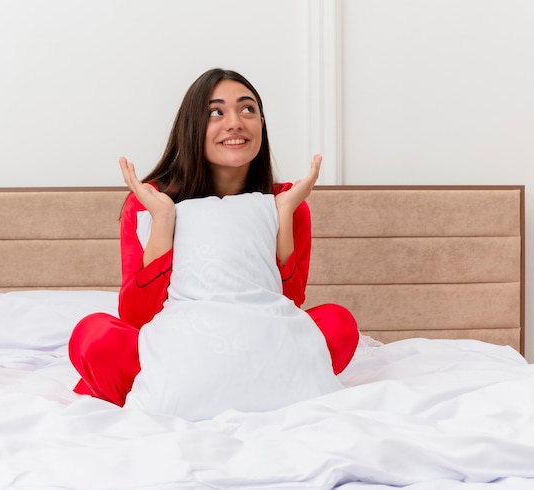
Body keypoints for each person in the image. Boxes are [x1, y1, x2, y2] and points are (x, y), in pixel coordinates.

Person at [68, 68, 359, 407]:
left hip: (258, 340)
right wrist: (163, 222)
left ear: (261, 124)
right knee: (94, 336)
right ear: (192, 128)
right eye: (215, 112)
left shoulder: (286, 203)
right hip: (176, 346)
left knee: (337, 323)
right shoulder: (150, 202)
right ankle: (184, 393)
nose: (235, 123)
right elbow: (136, 318)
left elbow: (286, 305)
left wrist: (281, 215)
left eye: (247, 109)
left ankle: (244, 386)